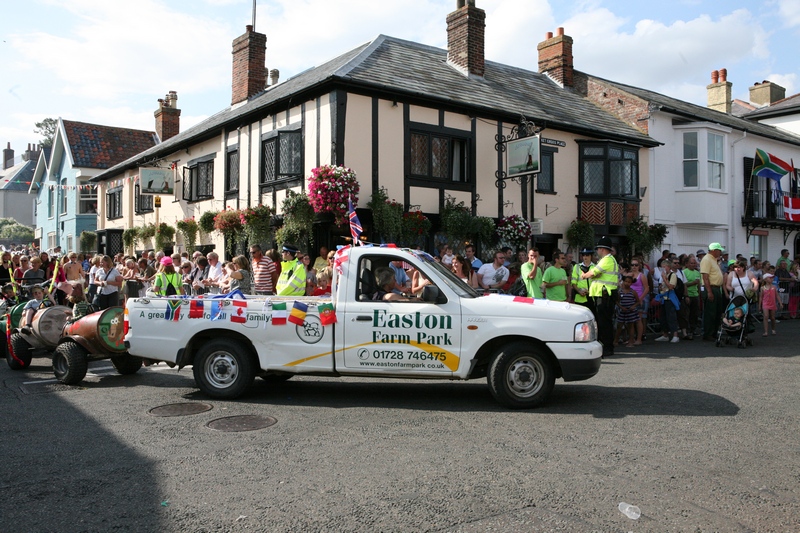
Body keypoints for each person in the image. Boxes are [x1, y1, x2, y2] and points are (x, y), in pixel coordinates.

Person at [581, 236, 619, 356]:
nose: (596, 251)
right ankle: (606, 346)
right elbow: (598, 275)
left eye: (598, 249)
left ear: (602, 249)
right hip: (604, 294)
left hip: (605, 295)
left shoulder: (606, 260)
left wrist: (584, 275)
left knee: (604, 323)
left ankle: (607, 348)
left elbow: (593, 273)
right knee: (603, 321)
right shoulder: (608, 260)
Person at [700, 243, 726, 341]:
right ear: (713, 250)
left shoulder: (714, 260)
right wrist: (709, 292)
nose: (720, 252)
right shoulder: (707, 259)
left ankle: (714, 332)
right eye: (719, 250)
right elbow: (705, 277)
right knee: (710, 312)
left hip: (716, 288)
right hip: (711, 288)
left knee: (717, 312)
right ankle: (708, 334)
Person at [654, 258, 681, 343]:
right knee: (663, 317)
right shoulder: (663, 275)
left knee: (671, 317)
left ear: (668, 267)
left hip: (670, 298)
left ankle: (675, 335)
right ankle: (665, 334)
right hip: (663, 299)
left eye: (664, 267)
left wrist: (664, 278)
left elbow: (671, 287)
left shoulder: (672, 275)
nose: (663, 269)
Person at [628, 257, 648, 345]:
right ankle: (631, 339)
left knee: (638, 320)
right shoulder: (629, 275)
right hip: (629, 299)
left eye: (636, 265)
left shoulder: (641, 275)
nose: (634, 267)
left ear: (639, 266)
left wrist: (641, 299)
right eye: (632, 265)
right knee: (629, 320)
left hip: (638, 298)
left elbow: (647, 288)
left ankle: (639, 339)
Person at [614, 275, 639, 347]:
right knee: (619, 326)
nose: (627, 283)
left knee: (631, 326)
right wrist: (621, 307)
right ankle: (616, 340)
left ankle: (631, 341)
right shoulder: (620, 291)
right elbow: (617, 301)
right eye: (626, 281)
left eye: (629, 282)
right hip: (622, 311)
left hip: (631, 311)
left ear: (631, 283)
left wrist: (633, 306)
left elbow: (637, 301)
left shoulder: (633, 292)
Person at [683, 255, 701, 340]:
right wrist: (693, 283)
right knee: (687, 314)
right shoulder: (684, 272)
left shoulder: (697, 273)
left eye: (694, 263)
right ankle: (687, 330)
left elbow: (699, 284)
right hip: (688, 295)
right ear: (687, 264)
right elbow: (684, 284)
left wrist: (699, 293)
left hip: (695, 295)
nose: (693, 264)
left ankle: (693, 329)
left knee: (695, 314)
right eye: (691, 263)